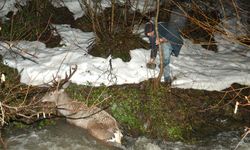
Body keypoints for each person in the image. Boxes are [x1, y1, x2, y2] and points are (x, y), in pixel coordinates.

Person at [144, 11, 186, 84]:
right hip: (164, 43)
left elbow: (173, 33)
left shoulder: (161, 26)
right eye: (148, 35)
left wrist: (162, 39)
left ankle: (163, 65)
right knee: (163, 56)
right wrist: (152, 59)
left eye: (151, 33)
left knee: (165, 51)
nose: (150, 35)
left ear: (153, 29)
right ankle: (167, 79)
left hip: (174, 41)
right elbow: (154, 47)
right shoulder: (152, 36)